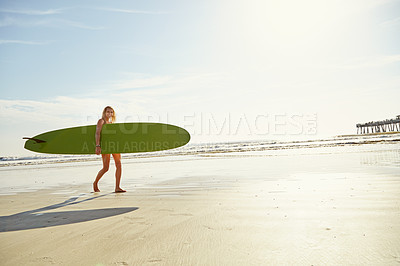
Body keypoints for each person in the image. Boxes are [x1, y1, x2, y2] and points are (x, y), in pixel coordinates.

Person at [93, 106, 126, 193]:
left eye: (111, 112)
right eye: (108, 112)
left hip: (114, 146)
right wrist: (97, 145)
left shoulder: (111, 123)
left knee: (119, 165)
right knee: (105, 168)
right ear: (104, 112)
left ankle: (117, 187)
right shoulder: (101, 121)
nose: (110, 114)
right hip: (106, 146)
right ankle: (95, 183)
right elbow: (97, 133)